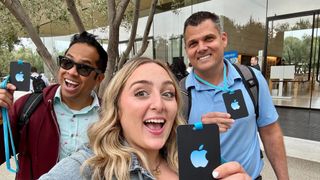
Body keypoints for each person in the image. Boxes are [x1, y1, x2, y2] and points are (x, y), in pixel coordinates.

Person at [39, 57, 250, 180]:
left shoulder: (195, 155)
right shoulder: (89, 168)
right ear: (117, 106)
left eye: (168, 94)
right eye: (141, 93)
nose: (159, 104)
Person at [182, 11, 289, 179]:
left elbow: (271, 133)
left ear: (223, 39)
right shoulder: (178, 93)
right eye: (193, 43)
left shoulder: (252, 79)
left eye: (209, 38)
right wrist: (200, 132)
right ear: (187, 49)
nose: (201, 48)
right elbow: (168, 151)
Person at [0, 31, 108, 179]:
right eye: (67, 62)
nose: (71, 72)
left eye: (84, 68)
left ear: (99, 78)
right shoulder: (28, 106)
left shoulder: (110, 118)